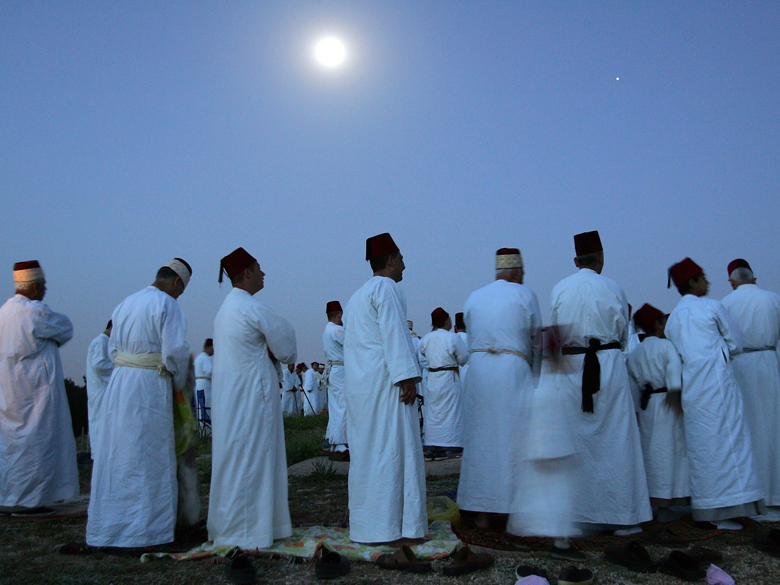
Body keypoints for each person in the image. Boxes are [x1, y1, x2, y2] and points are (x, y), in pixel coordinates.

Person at [550, 231, 651, 533]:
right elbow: (623, 337)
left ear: (575, 260)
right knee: (616, 441)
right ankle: (622, 516)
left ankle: (580, 515)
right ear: (601, 258)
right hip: (608, 365)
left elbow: (555, 334)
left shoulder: (560, 288)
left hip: (573, 368)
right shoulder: (613, 287)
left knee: (577, 440)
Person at [87, 258, 192, 547]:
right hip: (149, 386)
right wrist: (180, 380)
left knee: (120, 454)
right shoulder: (168, 305)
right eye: (181, 290)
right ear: (175, 283)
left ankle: (109, 527)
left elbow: (112, 351)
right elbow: (174, 353)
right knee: (148, 456)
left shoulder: (125, 303)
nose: (179, 295)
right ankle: (147, 531)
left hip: (120, 386)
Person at [666, 257, 765, 529]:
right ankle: (731, 510)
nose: (708, 283)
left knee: (704, 449)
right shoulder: (711, 306)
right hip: (717, 384)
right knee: (730, 444)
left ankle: (710, 508)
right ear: (693, 282)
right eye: (704, 278)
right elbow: (736, 342)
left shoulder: (673, 319)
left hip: (693, 391)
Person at [208, 247, 297, 549]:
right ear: (246, 273)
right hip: (251, 399)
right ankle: (247, 533)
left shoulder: (226, 309)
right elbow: (285, 345)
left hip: (233, 397)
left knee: (236, 459)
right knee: (252, 460)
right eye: (259, 267)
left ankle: (250, 526)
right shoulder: (250, 307)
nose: (263, 273)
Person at [343, 232, 426, 545]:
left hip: (364, 389)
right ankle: (395, 528)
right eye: (401, 258)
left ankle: (369, 527)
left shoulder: (356, 297)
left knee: (368, 456)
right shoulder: (386, 288)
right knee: (392, 452)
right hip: (386, 386)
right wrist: (406, 378)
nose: (404, 264)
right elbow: (395, 335)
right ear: (390, 260)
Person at [457, 248, 542, 530]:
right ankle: (509, 513)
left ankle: (481, 513)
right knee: (512, 442)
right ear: (518, 272)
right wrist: (536, 376)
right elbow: (536, 342)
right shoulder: (525, 295)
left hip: (479, 373)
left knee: (481, 442)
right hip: (512, 372)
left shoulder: (474, 297)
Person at [0, 260, 77, 513]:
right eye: (43, 287)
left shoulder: (3, 313)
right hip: (35, 393)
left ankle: (10, 497)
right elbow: (65, 327)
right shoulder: (35, 312)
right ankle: (31, 500)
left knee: (12, 446)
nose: (45, 291)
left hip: (10, 392)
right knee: (38, 444)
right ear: (34, 287)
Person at [722, 259, 780, 507]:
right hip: (769, 364)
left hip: (740, 367)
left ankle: (751, 493)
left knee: (745, 428)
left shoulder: (726, 303)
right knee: (772, 425)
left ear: (732, 282)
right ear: (754, 278)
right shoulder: (773, 299)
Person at [627, 304, 689, 520]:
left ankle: (649, 501)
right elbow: (674, 373)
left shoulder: (636, 352)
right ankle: (665, 505)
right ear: (658, 324)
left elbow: (634, 386)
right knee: (669, 451)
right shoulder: (666, 347)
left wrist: (637, 410)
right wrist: (676, 398)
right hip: (666, 403)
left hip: (647, 406)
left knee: (649, 452)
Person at [418, 307, 468, 459]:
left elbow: (422, 356)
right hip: (449, 377)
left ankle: (432, 444)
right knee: (452, 411)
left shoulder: (426, 338)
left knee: (434, 412)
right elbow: (464, 358)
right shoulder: (452, 338)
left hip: (433, 378)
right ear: (446, 322)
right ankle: (452, 446)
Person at [323, 300, 348, 457]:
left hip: (334, 370)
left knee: (335, 406)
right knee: (342, 406)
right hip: (340, 370)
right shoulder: (337, 330)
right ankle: (340, 443)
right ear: (339, 314)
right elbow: (353, 344)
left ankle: (333, 441)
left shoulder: (327, 329)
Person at [86, 320, 113, 460]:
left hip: (104, 392)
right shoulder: (101, 342)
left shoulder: (105, 342)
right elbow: (100, 365)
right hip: (101, 393)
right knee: (102, 426)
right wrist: (120, 371)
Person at [194, 338, 213, 422]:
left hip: (197, 383)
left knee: (200, 407)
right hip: (205, 384)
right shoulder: (206, 358)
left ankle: (201, 429)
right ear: (209, 348)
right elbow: (209, 371)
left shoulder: (198, 358)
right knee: (207, 405)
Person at [454, 312, 470, 381]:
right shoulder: (470, 338)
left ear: (455, 327)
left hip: (456, 371)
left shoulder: (452, 338)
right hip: (470, 370)